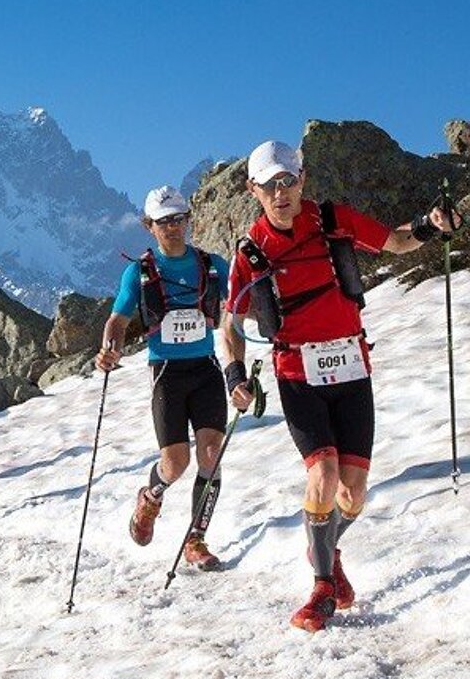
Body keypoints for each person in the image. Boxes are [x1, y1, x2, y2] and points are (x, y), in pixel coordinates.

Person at [222, 140, 461, 632]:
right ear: (253, 190)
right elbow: (230, 326)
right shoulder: (249, 252)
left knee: (352, 494)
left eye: (288, 180)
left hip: (352, 368)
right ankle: (322, 585)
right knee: (324, 475)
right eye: (270, 184)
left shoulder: (332, 219)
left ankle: (326, 548)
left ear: (302, 179)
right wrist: (234, 377)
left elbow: (394, 242)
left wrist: (429, 227)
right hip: (297, 375)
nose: (281, 192)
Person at [95, 186, 233, 571]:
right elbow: (118, 319)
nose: (173, 227)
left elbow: (240, 300)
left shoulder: (211, 264)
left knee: (211, 455)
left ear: (188, 219)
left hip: (205, 368)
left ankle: (196, 539)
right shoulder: (137, 272)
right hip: (168, 374)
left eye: (178, 219)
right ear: (148, 226)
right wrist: (110, 348)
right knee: (175, 463)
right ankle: (151, 497)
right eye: (164, 221)